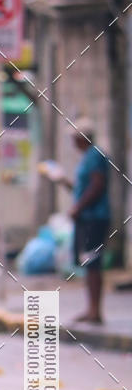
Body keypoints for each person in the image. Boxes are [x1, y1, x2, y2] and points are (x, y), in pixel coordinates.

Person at [60, 118, 110, 323]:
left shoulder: (95, 155)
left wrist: (78, 208)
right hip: (87, 218)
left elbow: (97, 186)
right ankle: (91, 309)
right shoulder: (88, 157)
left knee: (93, 263)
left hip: (94, 219)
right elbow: (83, 188)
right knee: (89, 264)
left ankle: (95, 311)